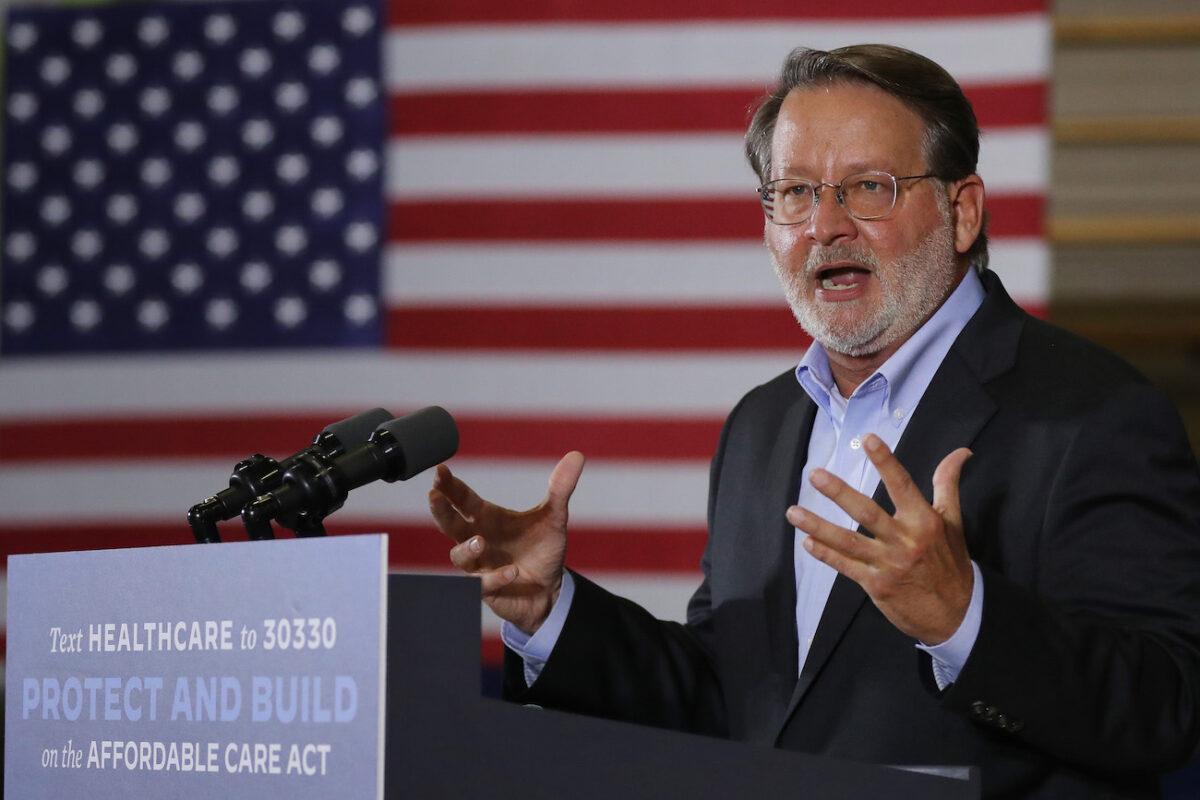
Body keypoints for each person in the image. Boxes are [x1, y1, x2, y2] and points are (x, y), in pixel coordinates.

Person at [427, 44, 1200, 798]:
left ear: (961, 211)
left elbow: (1167, 706)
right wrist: (552, 610)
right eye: (794, 192)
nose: (825, 226)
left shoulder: (1096, 414)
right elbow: (738, 704)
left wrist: (966, 620)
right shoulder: (761, 427)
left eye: (869, 187)